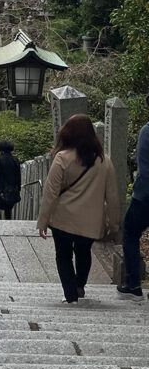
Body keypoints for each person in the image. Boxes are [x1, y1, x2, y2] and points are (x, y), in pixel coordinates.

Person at [37, 114, 119, 304]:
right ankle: (79, 285)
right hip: (90, 221)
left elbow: (50, 193)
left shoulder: (62, 158)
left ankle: (71, 295)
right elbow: (112, 197)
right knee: (83, 253)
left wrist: (43, 221)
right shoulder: (104, 161)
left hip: (62, 219)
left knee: (63, 256)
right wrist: (113, 224)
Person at [117, 118, 149, 302]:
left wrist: (139, 192)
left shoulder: (146, 131)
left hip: (144, 197)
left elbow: (145, 170)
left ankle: (134, 285)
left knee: (130, 233)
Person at [0, 140, 21, 220]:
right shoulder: (15, 160)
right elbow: (18, 175)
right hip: (12, 188)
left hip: (1, 187)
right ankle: (8, 219)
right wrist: (18, 187)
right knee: (8, 208)